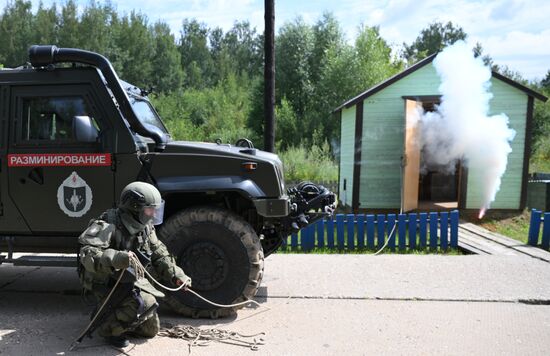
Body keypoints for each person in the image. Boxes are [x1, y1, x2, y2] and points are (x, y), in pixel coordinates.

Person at [77, 181, 191, 348]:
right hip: (108, 282)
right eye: (149, 209)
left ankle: (118, 317)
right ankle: (108, 327)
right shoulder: (108, 223)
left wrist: (177, 275)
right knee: (146, 303)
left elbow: (159, 253)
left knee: (150, 330)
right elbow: (88, 255)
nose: (153, 214)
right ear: (135, 207)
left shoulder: (145, 227)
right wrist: (116, 258)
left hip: (130, 279)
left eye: (155, 210)